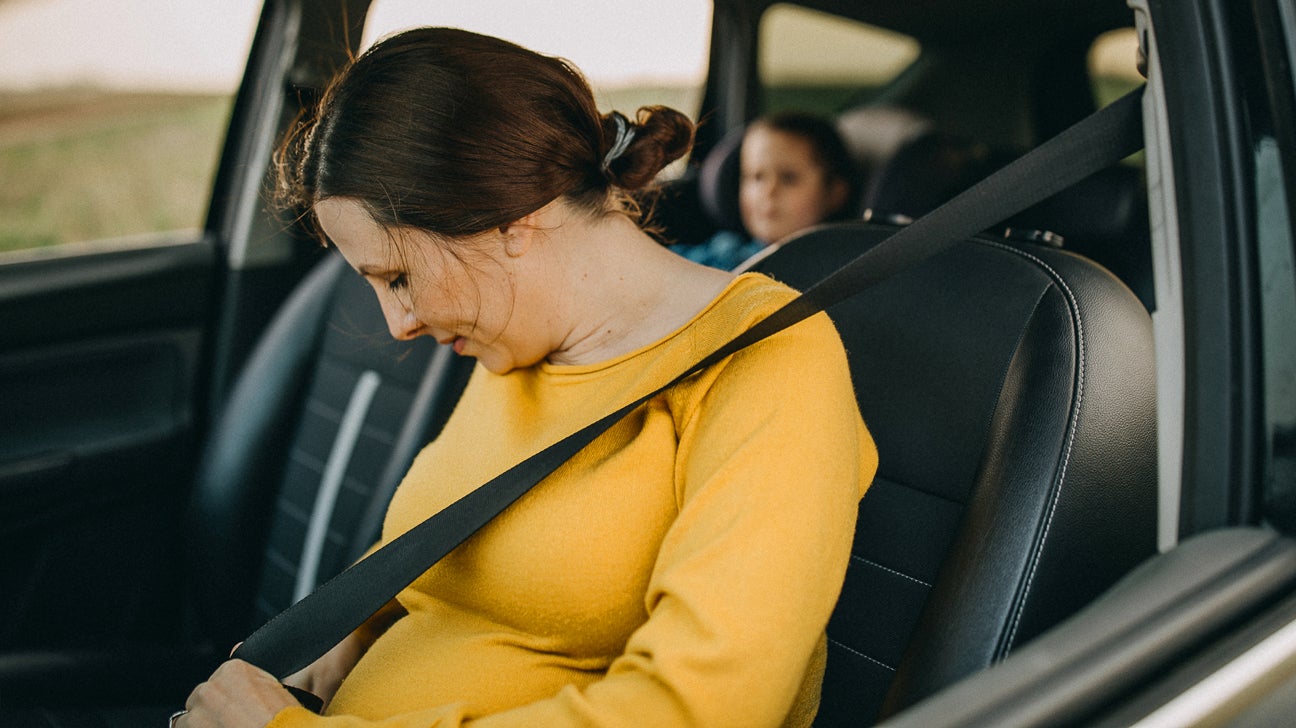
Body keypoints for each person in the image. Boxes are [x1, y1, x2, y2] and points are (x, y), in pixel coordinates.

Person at [176, 26, 876, 728]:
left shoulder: (769, 361)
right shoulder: (513, 339)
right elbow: (442, 549)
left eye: (398, 277)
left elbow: (703, 708)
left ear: (510, 219)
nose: (399, 324)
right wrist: (349, 638)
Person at [677, 112, 857, 270]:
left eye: (788, 178)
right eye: (757, 177)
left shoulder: (831, 271)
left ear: (835, 194)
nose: (768, 191)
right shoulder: (726, 249)